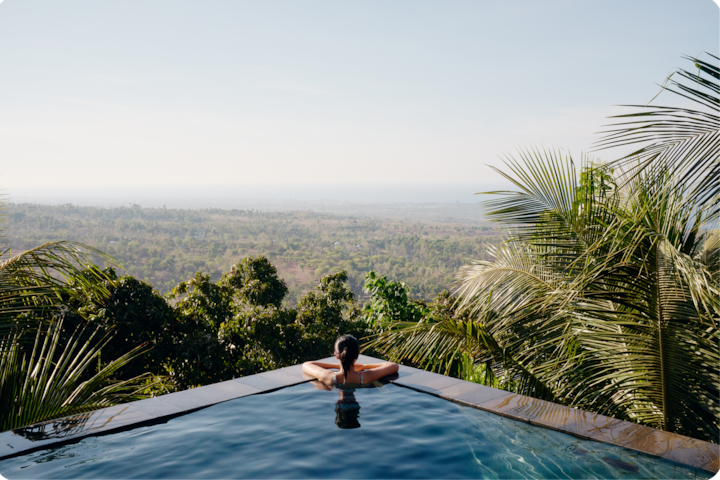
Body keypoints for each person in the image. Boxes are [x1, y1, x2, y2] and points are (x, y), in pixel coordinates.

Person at [302, 334, 399, 386]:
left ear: (336, 356)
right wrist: (364, 367)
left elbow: (306, 364)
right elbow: (394, 366)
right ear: (357, 356)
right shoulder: (366, 377)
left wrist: (338, 365)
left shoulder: (329, 377)